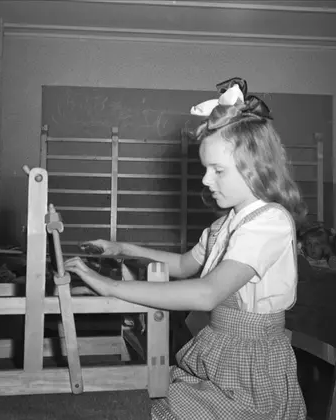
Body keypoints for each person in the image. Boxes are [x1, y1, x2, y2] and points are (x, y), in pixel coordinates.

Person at [65, 77, 307, 420]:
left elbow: (207, 294)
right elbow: (181, 265)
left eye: (218, 170)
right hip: (222, 354)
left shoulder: (269, 223)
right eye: (206, 169)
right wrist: (121, 248)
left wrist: (111, 287)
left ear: (255, 168)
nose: (206, 180)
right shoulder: (226, 225)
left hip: (252, 373)